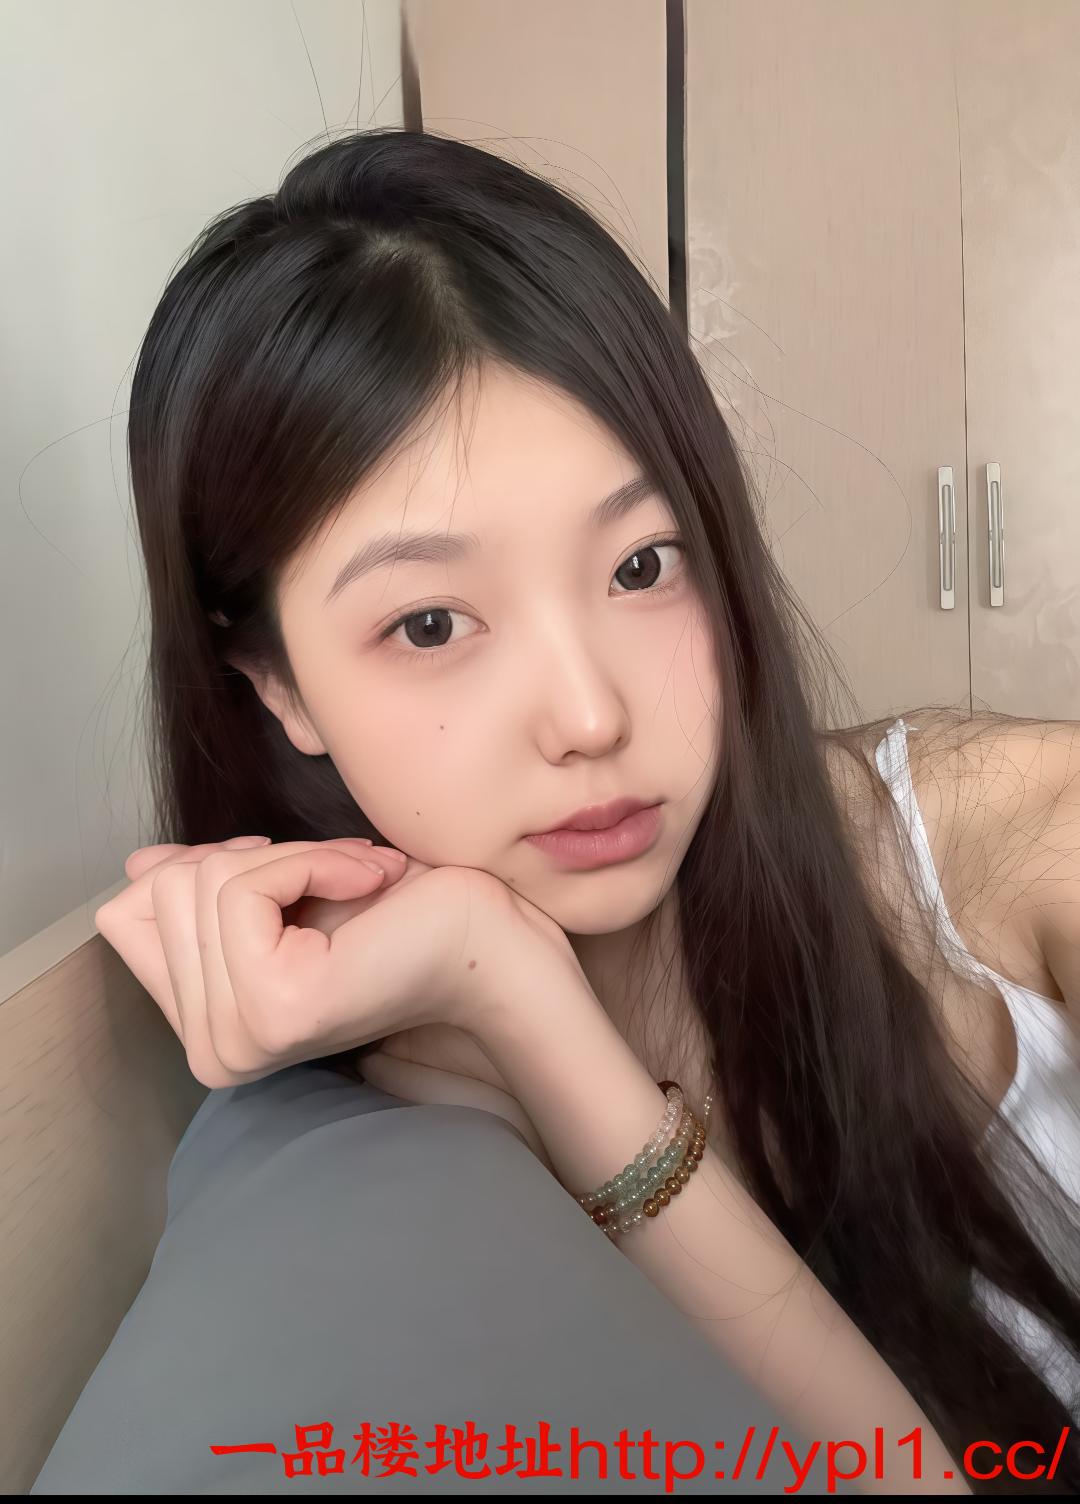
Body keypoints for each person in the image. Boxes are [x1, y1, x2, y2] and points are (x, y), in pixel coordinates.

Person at [40, 127, 1080, 1492]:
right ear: (277, 685)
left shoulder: (1023, 836)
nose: (590, 716)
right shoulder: (407, 1086)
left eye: (643, 564)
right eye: (430, 623)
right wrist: (514, 992)